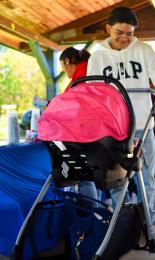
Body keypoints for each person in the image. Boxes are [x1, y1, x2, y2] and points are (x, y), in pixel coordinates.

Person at [86, 7, 155, 237]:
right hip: (113, 129)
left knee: (147, 179)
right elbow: (92, 92)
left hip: (142, 126)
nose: (124, 38)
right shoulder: (97, 56)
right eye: (119, 32)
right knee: (116, 181)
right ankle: (121, 225)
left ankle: (149, 224)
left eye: (130, 33)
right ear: (108, 29)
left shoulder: (144, 51)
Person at [59, 47, 100, 204]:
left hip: (83, 134)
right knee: (86, 178)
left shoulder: (81, 77)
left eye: (63, 67)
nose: (64, 71)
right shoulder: (87, 70)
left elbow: (71, 106)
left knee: (84, 177)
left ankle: (91, 216)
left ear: (68, 62)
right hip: (93, 133)